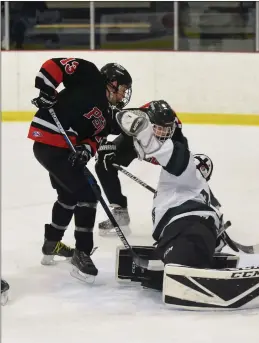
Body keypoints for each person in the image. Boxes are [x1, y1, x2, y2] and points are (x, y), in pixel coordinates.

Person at [27, 57, 132, 282]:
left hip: (62, 150)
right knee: (88, 193)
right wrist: (46, 89)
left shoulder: (106, 117)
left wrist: (85, 150)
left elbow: (94, 139)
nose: (123, 95)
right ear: (111, 82)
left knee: (69, 194)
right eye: (122, 89)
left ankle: (51, 244)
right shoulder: (90, 76)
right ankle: (82, 253)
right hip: (49, 141)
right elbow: (55, 66)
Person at [113, 104, 225, 272]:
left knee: (181, 263)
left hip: (186, 227)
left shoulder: (183, 158)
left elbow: (168, 154)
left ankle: (191, 268)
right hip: (182, 231)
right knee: (176, 256)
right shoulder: (201, 190)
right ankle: (183, 261)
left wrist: (143, 131)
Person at [95, 100, 187, 237]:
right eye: (159, 128)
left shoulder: (177, 138)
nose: (164, 134)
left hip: (163, 149)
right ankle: (120, 215)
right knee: (104, 161)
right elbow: (107, 121)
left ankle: (184, 213)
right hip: (135, 139)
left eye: (167, 129)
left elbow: (187, 171)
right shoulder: (136, 120)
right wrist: (101, 143)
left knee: (181, 174)